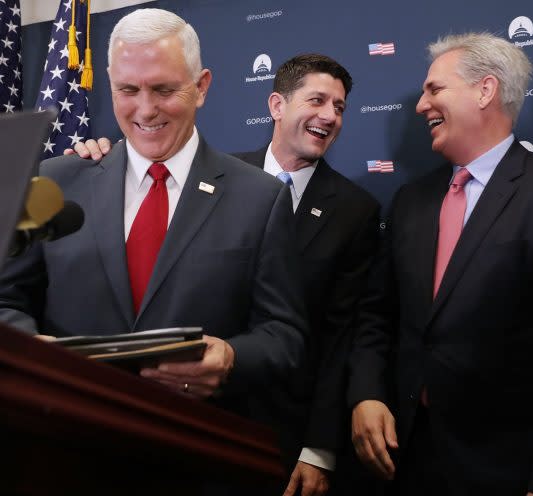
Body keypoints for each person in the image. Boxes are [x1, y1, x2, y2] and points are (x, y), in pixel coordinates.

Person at [0, 6, 307, 483]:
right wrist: (31, 349)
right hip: (63, 458)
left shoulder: (260, 198)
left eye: (165, 89)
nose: (145, 110)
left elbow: (284, 336)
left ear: (201, 86)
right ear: (109, 83)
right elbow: (5, 301)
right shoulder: (55, 182)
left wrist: (231, 358)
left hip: (196, 464)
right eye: (128, 90)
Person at [70, 54, 381, 496]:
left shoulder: (356, 211)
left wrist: (318, 448)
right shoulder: (209, 176)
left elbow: (340, 339)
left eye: (340, 107)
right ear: (277, 105)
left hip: (281, 434)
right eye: (317, 100)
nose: (329, 116)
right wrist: (97, 161)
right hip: (184, 421)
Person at [348, 32, 533, 495]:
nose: (420, 105)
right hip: (405, 459)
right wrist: (366, 393)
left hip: (506, 470)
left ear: (485, 90)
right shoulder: (411, 201)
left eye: (435, 89)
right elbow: (377, 314)